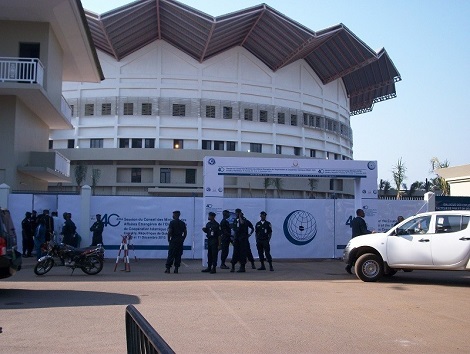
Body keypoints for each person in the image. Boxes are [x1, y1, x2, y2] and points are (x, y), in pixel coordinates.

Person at [345, 208, 374, 274]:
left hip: (354, 238)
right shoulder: (361, 221)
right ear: (360, 213)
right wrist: (372, 233)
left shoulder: (354, 220)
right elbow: (363, 231)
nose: (364, 213)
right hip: (360, 239)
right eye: (363, 212)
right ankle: (352, 266)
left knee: (354, 253)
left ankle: (349, 266)